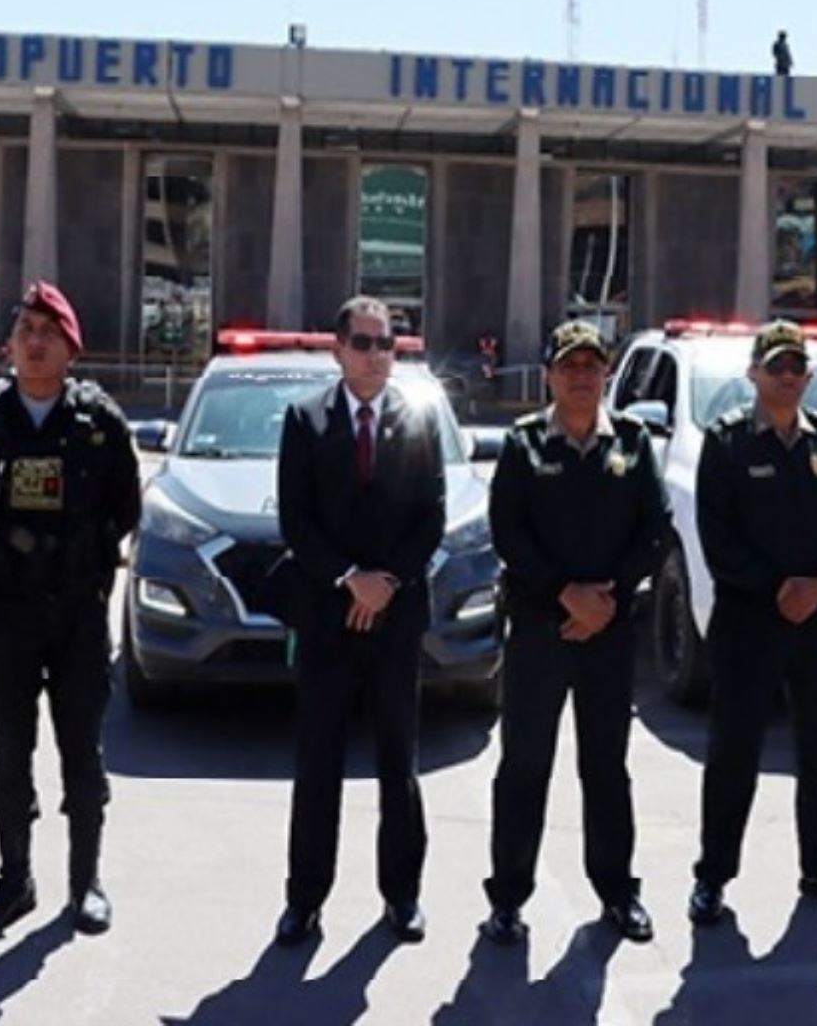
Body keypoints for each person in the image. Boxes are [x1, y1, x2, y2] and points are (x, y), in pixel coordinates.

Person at [0, 282, 141, 937]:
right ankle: (13, 879)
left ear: (70, 347)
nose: (33, 341)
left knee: (82, 752)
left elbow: (126, 509)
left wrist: (77, 559)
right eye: (25, 329)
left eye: (47, 332)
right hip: (6, 617)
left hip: (77, 616)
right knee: (9, 751)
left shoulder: (99, 424)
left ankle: (85, 884)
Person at [480, 320, 670, 946]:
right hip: (539, 628)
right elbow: (508, 531)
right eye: (571, 367)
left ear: (606, 373)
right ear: (551, 375)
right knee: (524, 766)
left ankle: (618, 891)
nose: (583, 377)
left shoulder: (634, 442)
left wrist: (604, 599)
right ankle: (507, 898)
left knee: (606, 768)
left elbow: (653, 530)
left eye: (593, 366)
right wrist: (565, 594)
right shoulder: (525, 443)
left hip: (609, 630)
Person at [274, 295, 446, 946]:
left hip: (396, 620)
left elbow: (431, 516)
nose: (378, 357)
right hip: (326, 619)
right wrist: (350, 580)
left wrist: (387, 583)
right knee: (318, 764)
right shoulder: (306, 419)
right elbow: (297, 521)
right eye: (366, 344)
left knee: (398, 762)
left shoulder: (419, 418)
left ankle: (402, 896)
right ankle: (304, 900)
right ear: (338, 349)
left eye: (388, 345)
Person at [688, 320, 817, 926]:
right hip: (748, 624)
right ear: (754, 374)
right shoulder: (728, 442)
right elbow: (718, 538)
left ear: (808, 377)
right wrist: (776, 588)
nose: (787, 378)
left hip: (814, 623)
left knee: (816, 753)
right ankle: (712, 876)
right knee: (734, 753)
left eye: (797, 369)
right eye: (777, 367)